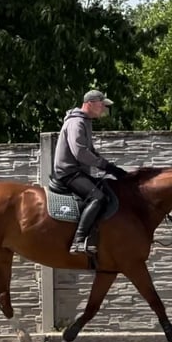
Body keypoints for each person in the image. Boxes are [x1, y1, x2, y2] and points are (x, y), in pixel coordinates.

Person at [53, 89, 128, 254]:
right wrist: (104, 166)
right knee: (98, 197)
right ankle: (78, 241)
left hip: (78, 171)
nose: (104, 108)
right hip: (68, 172)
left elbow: (91, 151)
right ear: (90, 103)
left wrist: (110, 167)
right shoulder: (76, 123)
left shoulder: (85, 121)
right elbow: (79, 152)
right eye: (102, 104)